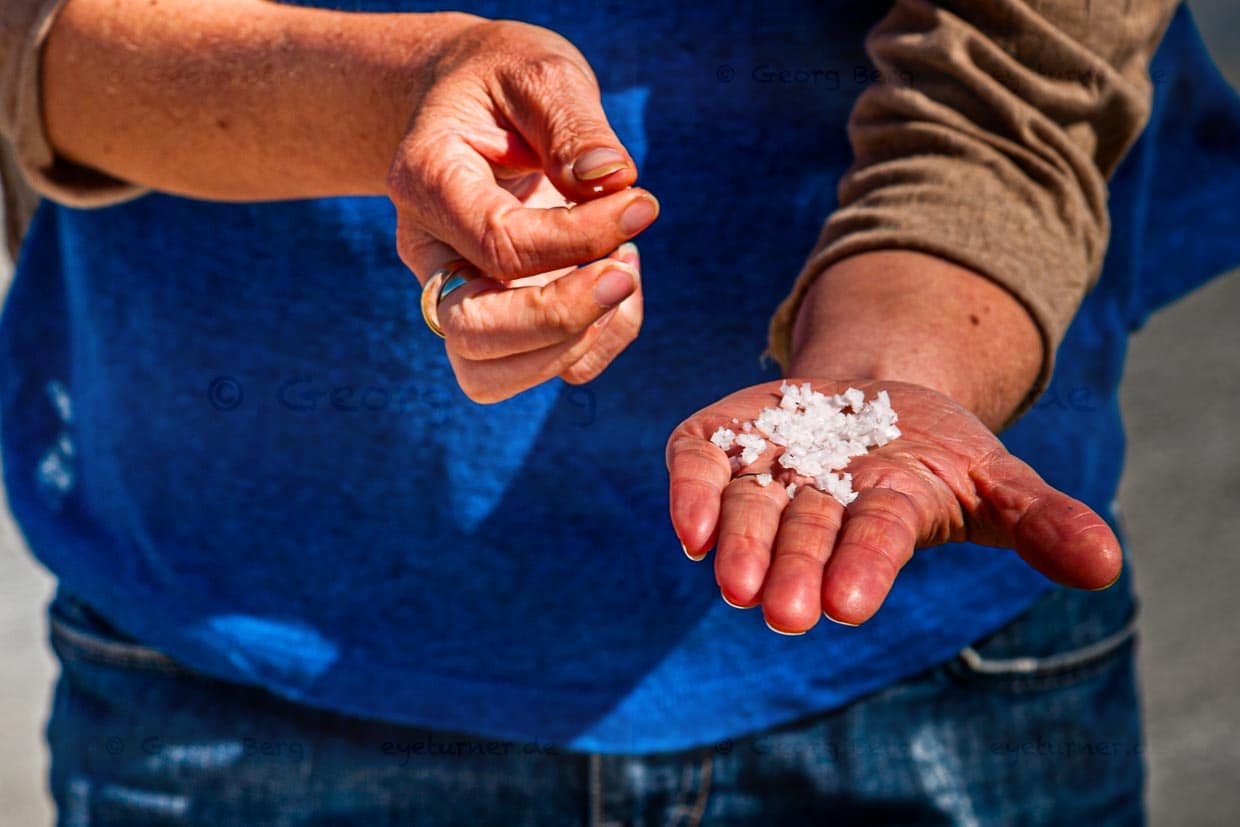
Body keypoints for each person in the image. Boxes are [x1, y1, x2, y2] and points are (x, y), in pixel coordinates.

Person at [2, 0, 1238, 823]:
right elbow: (35, 38)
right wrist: (403, 94)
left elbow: (1025, 70)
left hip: (926, 657)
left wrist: (887, 369)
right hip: (239, 651)